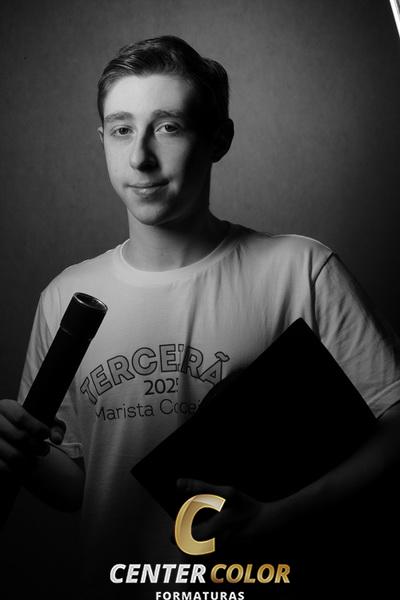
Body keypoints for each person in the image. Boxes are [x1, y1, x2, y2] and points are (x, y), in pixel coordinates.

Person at [1, 35, 400, 599]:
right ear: (103, 139)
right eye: (121, 129)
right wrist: (16, 451)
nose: (140, 157)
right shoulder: (66, 296)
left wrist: (279, 516)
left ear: (219, 138)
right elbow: (74, 485)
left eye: (168, 127)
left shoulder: (300, 270)